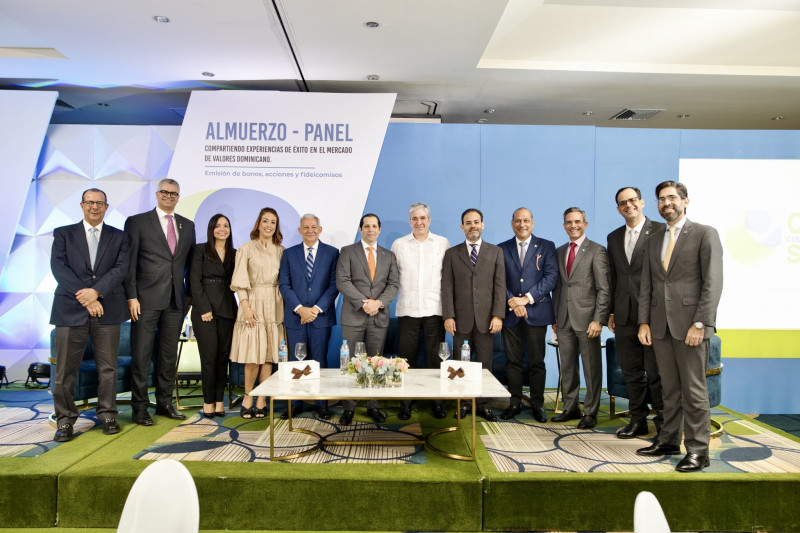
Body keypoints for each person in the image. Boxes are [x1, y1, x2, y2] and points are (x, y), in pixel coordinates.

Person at [637, 181, 723, 473]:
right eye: (661, 199)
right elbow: (647, 285)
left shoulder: (704, 234)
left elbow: (712, 283)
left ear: (686, 201)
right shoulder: (652, 240)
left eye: (672, 198)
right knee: (668, 390)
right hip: (659, 327)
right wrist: (644, 321)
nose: (666, 203)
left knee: (694, 392)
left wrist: (701, 323)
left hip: (691, 328)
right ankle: (669, 439)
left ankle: (699, 451)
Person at [50, 188, 129, 441]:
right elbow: (58, 267)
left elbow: (121, 268)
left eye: (100, 203)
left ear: (106, 207)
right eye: (90, 202)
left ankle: (107, 414)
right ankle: (64, 420)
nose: (94, 207)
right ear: (82, 205)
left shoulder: (119, 236)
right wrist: (85, 296)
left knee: (108, 369)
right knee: (65, 371)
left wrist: (96, 292)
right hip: (70, 309)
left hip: (107, 309)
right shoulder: (63, 234)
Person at [124, 178, 195, 426]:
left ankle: (164, 402)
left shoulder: (187, 225)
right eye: (164, 192)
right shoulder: (137, 222)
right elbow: (129, 262)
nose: (168, 196)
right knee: (141, 356)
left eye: (173, 193)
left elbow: (188, 264)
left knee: (167, 356)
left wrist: (188, 297)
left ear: (178, 197)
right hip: (144, 300)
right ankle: (140, 407)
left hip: (175, 301)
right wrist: (131, 296)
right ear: (157, 194)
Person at [607, 187, 665, 439]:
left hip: (652, 315)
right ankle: (638, 419)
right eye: (623, 203)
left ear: (641, 202)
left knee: (656, 371)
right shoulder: (614, 237)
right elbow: (614, 277)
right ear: (618, 208)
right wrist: (610, 312)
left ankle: (664, 422)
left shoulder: (662, 231)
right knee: (631, 370)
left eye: (632, 200)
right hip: (623, 316)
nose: (628, 205)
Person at [441, 208, 506, 422]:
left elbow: (500, 286)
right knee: (460, 364)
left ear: (483, 225)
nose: (472, 226)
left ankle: (485, 405)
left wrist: (498, 315)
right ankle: (463, 403)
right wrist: (448, 316)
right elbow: (447, 287)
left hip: (487, 320)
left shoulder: (496, 252)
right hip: (461, 320)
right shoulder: (452, 254)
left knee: (486, 364)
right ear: (462, 227)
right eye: (468, 223)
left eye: (476, 222)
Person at [336, 213, 399, 425]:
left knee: (376, 362)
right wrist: (364, 303)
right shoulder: (347, 252)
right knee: (351, 363)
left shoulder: (389, 255)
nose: (370, 229)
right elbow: (342, 281)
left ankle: (373, 405)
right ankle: (349, 408)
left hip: (378, 316)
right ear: (360, 229)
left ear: (379, 230)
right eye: (366, 226)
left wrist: (378, 304)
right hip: (354, 314)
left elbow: (393, 285)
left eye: (374, 226)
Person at [552, 207, 610, 429]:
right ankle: (570, 407)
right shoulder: (559, 251)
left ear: (585, 224)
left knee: (591, 368)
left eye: (577, 221)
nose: (573, 225)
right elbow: (558, 288)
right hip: (564, 320)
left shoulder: (597, 251)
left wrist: (599, 320)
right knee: (567, 367)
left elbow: (604, 289)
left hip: (588, 321)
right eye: (568, 222)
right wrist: (556, 317)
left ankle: (591, 412)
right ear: (564, 225)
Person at [391, 203, 450, 420]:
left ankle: (437, 401)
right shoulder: (399, 245)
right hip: (408, 309)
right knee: (406, 359)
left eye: (423, 218)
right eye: (415, 218)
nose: (419, 222)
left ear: (429, 220)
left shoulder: (442, 243)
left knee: (436, 359)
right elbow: (392, 277)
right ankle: (405, 402)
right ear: (410, 221)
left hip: (435, 309)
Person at [498, 207, 558, 423]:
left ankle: (537, 404)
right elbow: (498, 280)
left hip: (537, 311)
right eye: (518, 221)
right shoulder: (501, 249)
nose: (522, 224)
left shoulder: (546, 246)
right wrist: (513, 301)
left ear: (532, 223)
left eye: (526, 220)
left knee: (536, 362)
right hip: (511, 313)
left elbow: (551, 277)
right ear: (512, 223)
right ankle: (514, 403)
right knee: (512, 361)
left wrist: (527, 299)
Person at [278, 214, 340, 420]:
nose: (310, 230)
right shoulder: (289, 254)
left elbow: (334, 286)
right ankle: (296, 403)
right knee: (295, 361)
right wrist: (300, 309)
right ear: (299, 231)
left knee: (319, 360)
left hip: (320, 318)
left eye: (314, 227)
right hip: (295, 317)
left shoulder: (332, 253)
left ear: (320, 230)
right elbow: (284, 285)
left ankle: (321, 404)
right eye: (306, 227)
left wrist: (315, 309)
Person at [229, 207, 286, 419]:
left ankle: (262, 398)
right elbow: (240, 282)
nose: (269, 225)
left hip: (275, 303)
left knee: (269, 355)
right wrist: (245, 307)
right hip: (252, 303)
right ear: (258, 224)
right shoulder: (246, 249)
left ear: (276, 226)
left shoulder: (281, 251)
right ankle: (248, 396)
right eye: (265, 221)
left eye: (273, 222)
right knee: (252, 356)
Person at [189, 214, 237, 418]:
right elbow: (194, 281)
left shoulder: (235, 253)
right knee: (208, 358)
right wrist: (204, 308)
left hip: (227, 309)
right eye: (218, 226)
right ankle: (208, 401)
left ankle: (219, 401)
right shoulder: (200, 250)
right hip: (204, 311)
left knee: (222, 359)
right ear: (211, 229)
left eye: (226, 225)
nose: (222, 229)